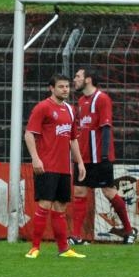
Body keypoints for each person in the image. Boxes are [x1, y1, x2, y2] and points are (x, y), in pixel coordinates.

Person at [69, 67, 138, 245]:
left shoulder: (102, 99)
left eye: (78, 76)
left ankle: (129, 231)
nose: (74, 79)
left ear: (88, 79)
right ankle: (76, 237)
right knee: (79, 191)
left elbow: (106, 127)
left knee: (108, 191)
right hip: (83, 157)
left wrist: (105, 155)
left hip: (99, 157)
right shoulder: (81, 101)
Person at [24, 73, 87, 259]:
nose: (65, 90)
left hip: (64, 168)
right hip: (46, 165)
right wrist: (35, 158)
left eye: (67, 86)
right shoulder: (43, 107)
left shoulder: (70, 109)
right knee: (44, 204)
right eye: (61, 86)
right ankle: (35, 248)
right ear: (51, 88)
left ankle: (64, 249)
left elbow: (73, 138)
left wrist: (80, 162)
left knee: (60, 207)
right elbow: (29, 134)